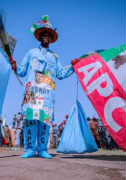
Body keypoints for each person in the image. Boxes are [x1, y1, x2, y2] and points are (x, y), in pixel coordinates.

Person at [10, 16, 80, 158]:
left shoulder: (54, 56)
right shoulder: (31, 53)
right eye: (44, 35)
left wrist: (73, 67)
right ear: (40, 37)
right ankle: (30, 150)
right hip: (31, 94)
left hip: (47, 96)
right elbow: (22, 72)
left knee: (45, 122)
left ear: (51, 39)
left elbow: (60, 74)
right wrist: (15, 67)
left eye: (48, 35)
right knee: (30, 121)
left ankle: (42, 150)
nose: (46, 37)